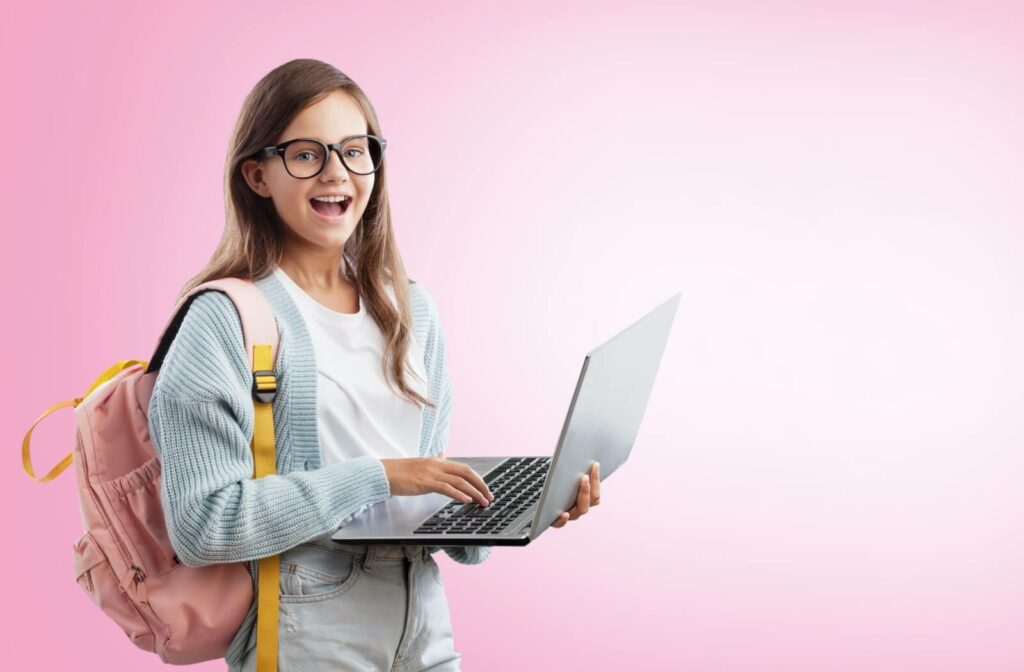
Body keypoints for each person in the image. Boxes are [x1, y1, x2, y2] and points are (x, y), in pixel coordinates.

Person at [148, 58, 601, 672]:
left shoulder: (414, 311)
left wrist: (519, 510)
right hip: (308, 622)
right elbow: (203, 527)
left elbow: (422, 495)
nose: (337, 173)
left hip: (422, 616)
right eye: (307, 154)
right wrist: (379, 476)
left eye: (355, 150)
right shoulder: (224, 322)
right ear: (257, 175)